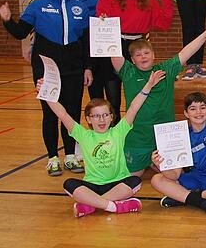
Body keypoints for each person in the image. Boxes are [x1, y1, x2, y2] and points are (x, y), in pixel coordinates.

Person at [0, 0, 92, 176]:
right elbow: (21, 32)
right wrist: (7, 20)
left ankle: (70, 155)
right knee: (50, 114)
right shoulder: (38, 4)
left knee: (71, 114)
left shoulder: (80, 5)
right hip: (47, 69)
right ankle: (52, 158)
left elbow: (86, 41)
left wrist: (87, 68)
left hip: (74, 68)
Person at [39, 70, 164, 217]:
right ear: (89, 119)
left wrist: (148, 85)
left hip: (118, 183)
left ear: (111, 117)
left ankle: (91, 205)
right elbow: (63, 114)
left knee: (135, 181)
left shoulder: (118, 131)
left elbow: (134, 107)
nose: (102, 120)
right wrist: (46, 95)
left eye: (105, 115)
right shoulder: (83, 135)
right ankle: (113, 206)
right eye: (96, 116)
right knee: (69, 184)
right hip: (92, 186)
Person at [111, 25, 206, 176]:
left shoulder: (165, 69)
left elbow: (186, 52)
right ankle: (147, 162)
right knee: (133, 178)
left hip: (164, 137)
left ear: (154, 55)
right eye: (138, 55)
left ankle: (153, 162)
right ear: (132, 60)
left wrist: (205, 35)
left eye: (146, 53)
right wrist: (106, 26)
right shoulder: (129, 72)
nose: (143, 57)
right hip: (138, 138)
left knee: (176, 175)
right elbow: (113, 52)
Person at [150, 49, 206, 213]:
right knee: (157, 180)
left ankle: (190, 197)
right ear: (186, 113)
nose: (199, 112)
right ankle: (200, 200)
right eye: (193, 109)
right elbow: (174, 175)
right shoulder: (181, 136)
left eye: (202, 108)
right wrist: (161, 165)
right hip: (197, 178)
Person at [94, 0, 174, 123]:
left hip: (137, 47)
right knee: (113, 99)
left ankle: (137, 132)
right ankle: (114, 137)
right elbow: (101, 20)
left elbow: (164, 23)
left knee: (139, 96)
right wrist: (101, 0)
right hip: (114, 47)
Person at [70, 0, 125, 109]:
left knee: (113, 92)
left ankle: (115, 130)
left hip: (105, 42)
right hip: (82, 46)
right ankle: (98, 132)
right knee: (95, 95)